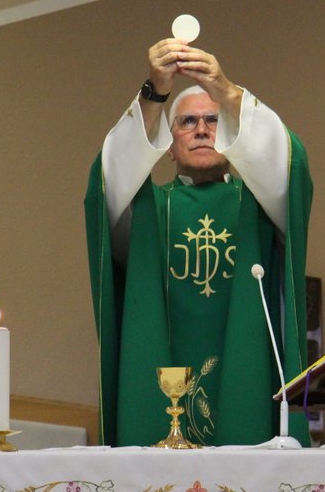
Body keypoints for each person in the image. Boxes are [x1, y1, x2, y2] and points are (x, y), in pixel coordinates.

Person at [85, 39, 312, 449]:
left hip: (248, 385)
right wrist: (155, 92)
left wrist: (225, 88)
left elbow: (288, 166)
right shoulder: (148, 211)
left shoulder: (260, 205)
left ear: (234, 136)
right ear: (168, 146)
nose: (203, 130)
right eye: (187, 122)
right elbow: (109, 179)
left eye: (214, 120)